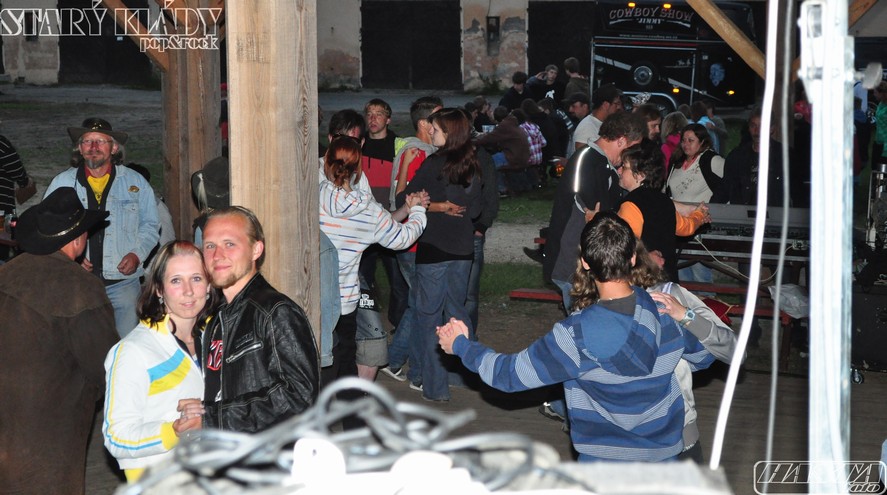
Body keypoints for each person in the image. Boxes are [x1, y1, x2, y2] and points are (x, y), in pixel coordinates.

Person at [437, 212, 715, 462]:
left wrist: (461, 345)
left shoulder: (574, 336)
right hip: (664, 464)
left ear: (585, 262)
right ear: (633, 258)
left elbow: (508, 375)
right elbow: (703, 357)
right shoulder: (667, 314)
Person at [0, 187, 119, 494]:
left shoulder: (7, 273)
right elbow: (108, 367)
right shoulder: (81, 289)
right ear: (78, 239)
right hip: (48, 429)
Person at [103, 241, 217, 482]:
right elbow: (116, 437)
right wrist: (173, 430)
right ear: (158, 289)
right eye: (176, 280)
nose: (188, 291)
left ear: (209, 285)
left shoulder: (219, 338)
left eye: (196, 278)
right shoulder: (133, 351)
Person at [319, 135, 429, 383]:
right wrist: (418, 210)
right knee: (344, 361)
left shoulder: (312, 197)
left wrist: (406, 210)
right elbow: (402, 238)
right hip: (343, 301)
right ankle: (347, 405)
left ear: (326, 161)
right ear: (358, 168)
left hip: (312, 297)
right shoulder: (367, 210)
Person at [201, 206, 319, 432]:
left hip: (268, 452)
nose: (217, 255)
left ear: (256, 250)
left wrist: (212, 418)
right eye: (209, 246)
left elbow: (299, 396)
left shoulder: (275, 311)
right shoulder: (217, 317)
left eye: (229, 244)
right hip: (229, 448)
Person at [45, 117, 160, 337]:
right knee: (83, 345)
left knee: (126, 345)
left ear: (114, 148)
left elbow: (151, 224)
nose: (94, 147)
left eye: (101, 141)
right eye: (87, 141)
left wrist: (137, 254)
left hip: (123, 286)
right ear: (80, 148)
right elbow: (48, 228)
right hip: (77, 284)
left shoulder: (136, 183)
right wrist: (70, 259)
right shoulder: (61, 183)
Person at [398, 108, 482, 402]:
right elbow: (477, 210)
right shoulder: (473, 164)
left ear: (449, 132)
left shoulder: (434, 163)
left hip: (434, 249)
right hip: (462, 250)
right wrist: (446, 206)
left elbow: (406, 199)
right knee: (457, 313)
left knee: (429, 317)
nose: (430, 132)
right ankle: (466, 373)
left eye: (435, 129)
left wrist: (433, 206)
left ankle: (435, 388)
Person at [544, 112, 646, 310]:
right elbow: (590, 208)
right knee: (582, 321)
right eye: (633, 147)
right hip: (572, 263)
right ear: (621, 140)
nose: (634, 154)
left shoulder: (606, 166)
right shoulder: (586, 159)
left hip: (591, 264)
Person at [383, 96, 444, 381]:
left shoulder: (421, 151)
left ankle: (394, 360)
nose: (442, 122)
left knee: (418, 302)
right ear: (423, 123)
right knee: (422, 305)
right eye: (438, 117)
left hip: (413, 239)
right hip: (413, 241)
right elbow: (406, 197)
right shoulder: (418, 153)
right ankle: (400, 362)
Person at [615, 142, 709, 281]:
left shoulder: (630, 205)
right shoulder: (664, 200)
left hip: (644, 280)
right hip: (668, 280)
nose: (619, 171)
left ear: (640, 175)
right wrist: (700, 215)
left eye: (624, 167)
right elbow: (686, 228)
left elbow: (625, 248)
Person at [360, 98, 409, 339]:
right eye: (369, 114)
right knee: (362, 278)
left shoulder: (398, 147)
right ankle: (366, 326)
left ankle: (399, 326)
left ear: (388, 119)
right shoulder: (358, 145)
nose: (373, 118)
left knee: (398, 278)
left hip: (391, 221)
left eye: (379, 114)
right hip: (364, 223)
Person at [0, 133, 31, 260]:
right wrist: (24, 182)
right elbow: (17, 171)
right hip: (2, 210)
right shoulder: (2, 144)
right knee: (3, 246)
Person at [573, 83, 623, 151]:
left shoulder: (604, 124)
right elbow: (582, 155)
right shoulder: (586, 128)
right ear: (606, 105)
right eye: (616, 104)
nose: (619, 107)